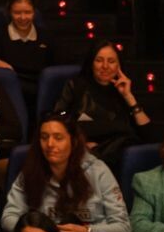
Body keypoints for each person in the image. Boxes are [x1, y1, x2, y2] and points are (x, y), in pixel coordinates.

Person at [0, 115, 130, 232]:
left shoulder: (98, 171)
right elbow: (8, 218)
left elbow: (123, 229)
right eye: (44, 137)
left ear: (73, 142)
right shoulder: (30, 172)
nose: (50, 144)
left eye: (58, 137)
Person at [51, 40, 151, 171]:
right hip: (80, 154)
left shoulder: (128, 89)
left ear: (119, 66)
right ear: (91, 63)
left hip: (116, 158)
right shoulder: (76, 86)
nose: (105, 66)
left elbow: (148, 135)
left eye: (111, 61)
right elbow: (57, 121)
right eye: (99, 60)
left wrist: (128, 97)